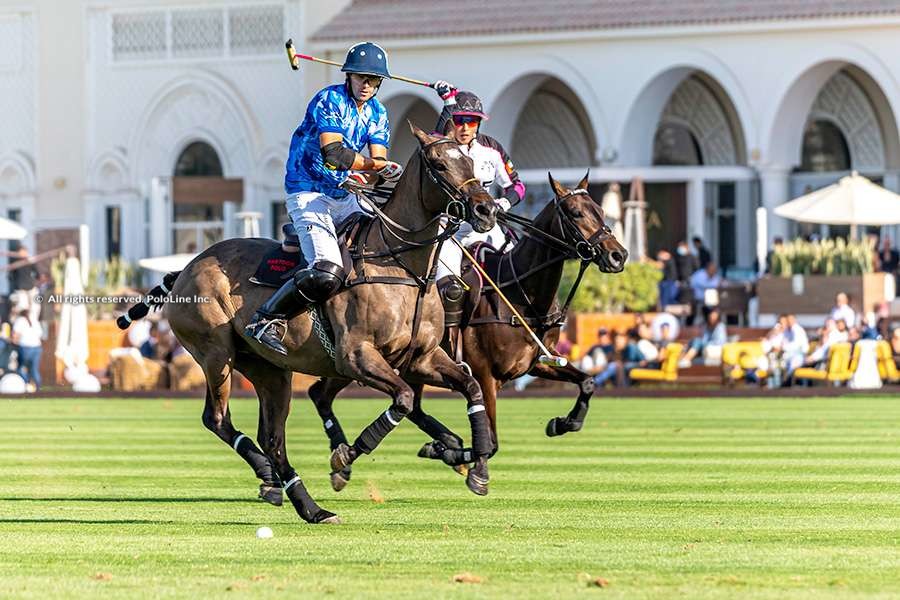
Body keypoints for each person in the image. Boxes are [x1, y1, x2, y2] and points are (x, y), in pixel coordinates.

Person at [245, 41, 403, 355]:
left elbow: (375, 163)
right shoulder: (329, 99)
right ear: (349, 76)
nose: (367, 85)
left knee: (383, 238)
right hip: (307, 190)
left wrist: (384, 173)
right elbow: (335, 154)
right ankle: (266, 318)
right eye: (361, 77)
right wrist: (375, 167)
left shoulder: (378, 113)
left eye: (373, 80)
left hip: (343, 193)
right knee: (327, 267)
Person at [429, 84, 525, 343]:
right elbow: (435, 138)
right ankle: (449, 345)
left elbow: (516, 186)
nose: (465, 128)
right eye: (459, 121)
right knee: (449, 288)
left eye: (472, 122)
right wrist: (447, 100)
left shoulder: (492, 149)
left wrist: (502, 204)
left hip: (485, 225)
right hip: (450, 229)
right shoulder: (444, 145)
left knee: (515, 271)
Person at [11, 308, 42, 391]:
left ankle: (26, 385)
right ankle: (38, 390)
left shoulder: (20, 320)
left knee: (21, 368)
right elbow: (40, 334)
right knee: (34, 370)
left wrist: (12, 342)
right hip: (37, 347)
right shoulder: (34, 321)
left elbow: (15, 336)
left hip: (25, 348)